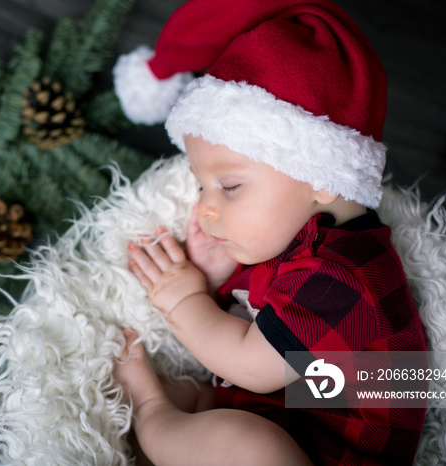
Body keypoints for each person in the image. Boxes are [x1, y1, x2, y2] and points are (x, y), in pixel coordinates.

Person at [111, 0, 428, 465]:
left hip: (315, 451)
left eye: (230, 186)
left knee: (243, 443)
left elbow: (251, 365)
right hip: (281, 418)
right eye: (203, 186)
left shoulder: (342, 278)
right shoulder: (307, 240)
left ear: (320, 175)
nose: (204, 207)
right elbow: (269, 320)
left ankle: (150, 412)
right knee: (208, 412)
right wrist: (224, 278)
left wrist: (184, 299)